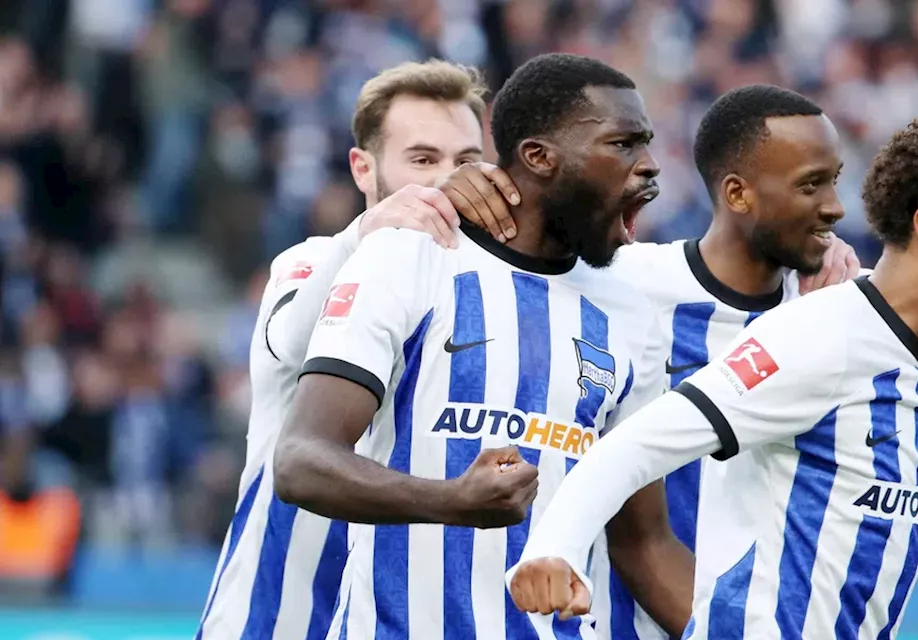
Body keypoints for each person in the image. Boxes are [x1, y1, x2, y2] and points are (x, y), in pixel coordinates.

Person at [438, 86, 918, 638]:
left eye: (835, 180)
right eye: (811, 184)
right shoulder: (809, 330)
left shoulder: (910, 339)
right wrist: (447, 198)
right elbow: (633, 443)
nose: (834, 206)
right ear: (738, 193)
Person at [271, 53, 694, 639]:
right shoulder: (410, 256)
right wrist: (452, 500)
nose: (648, 167)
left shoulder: (631, 309)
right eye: (623, 144)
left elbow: (644, 542)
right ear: (539, 157)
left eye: (646, 144)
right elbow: (299, 460)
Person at [195, 60, 498, 639]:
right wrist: (366, 235)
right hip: (273, 618)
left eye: (465, 160)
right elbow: (284, 344)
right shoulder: (309, 262)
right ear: (364, 169)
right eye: (422, 159)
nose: (447, 181)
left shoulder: (489, 300)